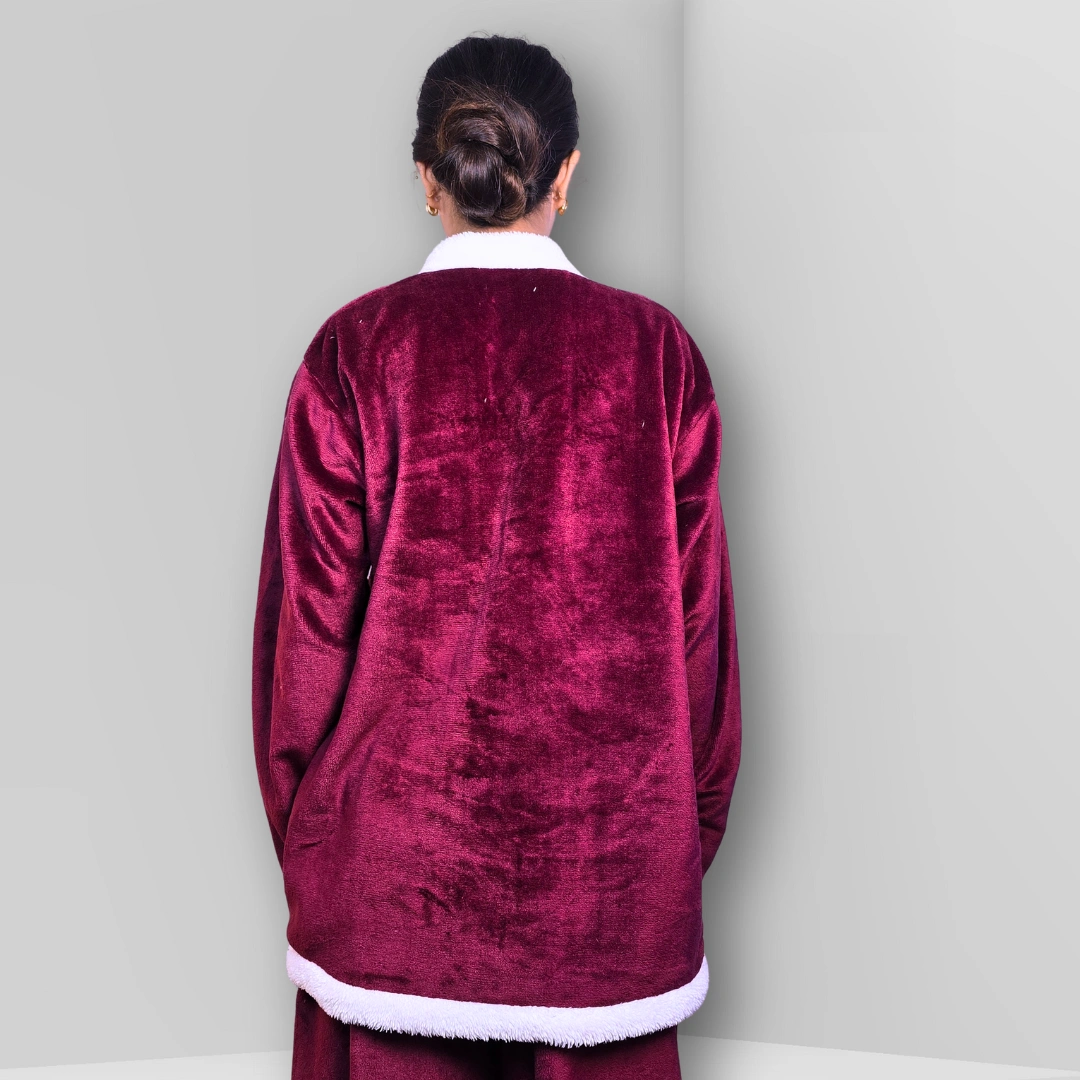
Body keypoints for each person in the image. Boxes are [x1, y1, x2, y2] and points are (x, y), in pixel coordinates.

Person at [252, 32, 742, 1080]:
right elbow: (700, 642)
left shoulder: (353, 351)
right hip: (607, 878)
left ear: (427, 177)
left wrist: (324, 849)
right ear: (567, 173)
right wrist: (666, 844)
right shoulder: (658, 354)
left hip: (392, 879)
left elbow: (301, 654)